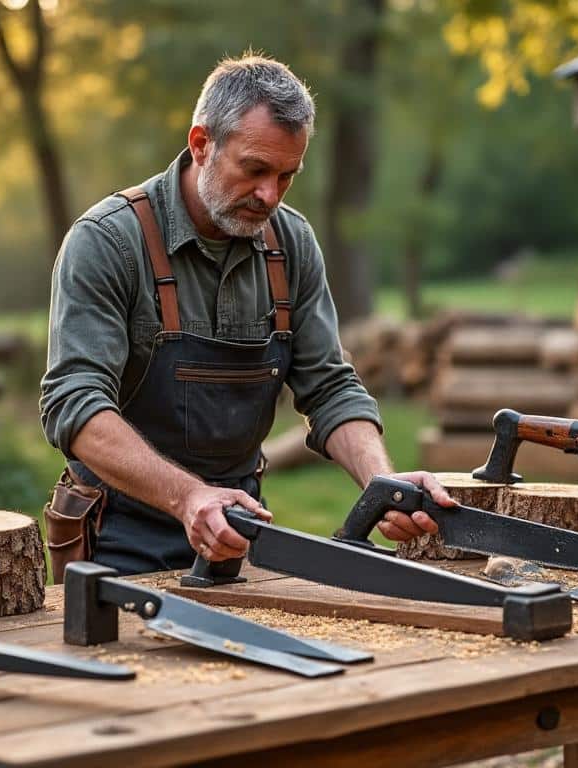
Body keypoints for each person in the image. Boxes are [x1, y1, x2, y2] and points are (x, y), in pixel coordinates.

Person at [39, 54, 453, 577]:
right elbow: (74, 406)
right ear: (201, 144)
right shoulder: (107, 242)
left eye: (287, 175)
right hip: (118, 534)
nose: (269, 195)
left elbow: (329, 387)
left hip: (240, 527)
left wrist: (382, 481)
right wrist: (190, 498)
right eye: (255, 169)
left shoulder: (292, 241)